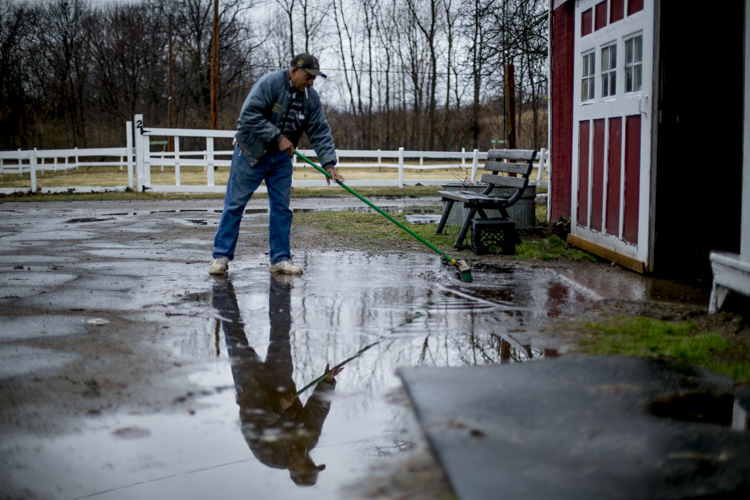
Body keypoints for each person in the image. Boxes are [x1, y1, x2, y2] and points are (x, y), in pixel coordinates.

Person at [209, 54, 344, 276]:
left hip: (280, 159)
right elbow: (248, 117)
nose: (311, 81)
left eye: (314, 78)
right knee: (235, 205)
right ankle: (220, 257)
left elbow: (319, 130)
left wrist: (328, 163)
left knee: (282, 209)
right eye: (308, 76)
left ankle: (280, 259)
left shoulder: (311, 97)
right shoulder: (269, 84)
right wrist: (278, 137)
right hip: (251, 153)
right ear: (293, 71)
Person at [212, 276, 343, 486]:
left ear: (295, 471)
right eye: (312, 464)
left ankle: (220, 287)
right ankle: (280, 283)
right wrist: (327, 382)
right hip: (281, 383)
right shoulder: (310, 441)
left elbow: (250, 426)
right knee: (282, 332)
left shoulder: (270, 458)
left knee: (234, 335)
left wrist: (278, 410)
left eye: (307, 466)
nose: (309, 460)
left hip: (251, 387)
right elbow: (318, 410)